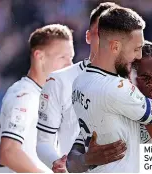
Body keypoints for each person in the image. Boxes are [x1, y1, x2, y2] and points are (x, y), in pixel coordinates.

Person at [69, 7, 152, 173]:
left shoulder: (80, 81)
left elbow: (72, 162)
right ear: (115, 47)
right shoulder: (117, 90)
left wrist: (85, 159)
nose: (138, 56)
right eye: (136, 49)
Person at [36, 3, 122, 172]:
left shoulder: (138, 81)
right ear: (88, 36)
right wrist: (58, 164)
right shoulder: (59, 81)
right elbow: (43, 142)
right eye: (101, 34)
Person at [0, 24, 74, 173]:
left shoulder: (50, 98)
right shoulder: (23, 96)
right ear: (40, 56)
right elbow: (8, 153)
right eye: (63, 57)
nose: (69, 64)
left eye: (71, 57)